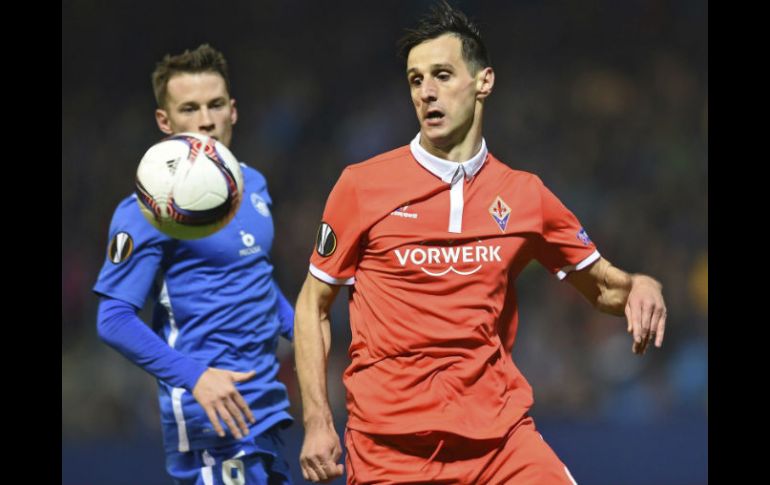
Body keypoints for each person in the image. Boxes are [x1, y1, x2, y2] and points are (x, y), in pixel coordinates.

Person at [293, 2, 667, 484]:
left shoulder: (524, 195)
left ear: (484, 81)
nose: (426, 92)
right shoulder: (362, 186)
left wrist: (642, 285)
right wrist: (318, 421)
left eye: (443, 75)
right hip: (392, 452)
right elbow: (312, 304)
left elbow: (605, 287)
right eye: (415, 79)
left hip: (500, 445)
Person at [93, 44, 295, 485]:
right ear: (165, 122)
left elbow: (253, 276)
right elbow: (112, 319)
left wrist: (302, 330)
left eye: (215, 104)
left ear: (233, 111)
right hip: (212, 419)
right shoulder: (146, 211)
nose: (206, 119)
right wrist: (195, 377)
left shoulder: (253, 183)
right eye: (189, 108)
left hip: (266, 410)